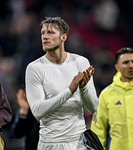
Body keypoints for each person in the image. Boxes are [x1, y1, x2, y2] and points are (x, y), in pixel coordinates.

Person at [25, 17, 99, 150]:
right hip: (51, 143)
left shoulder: (80, 62)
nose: (45, 37)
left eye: (50, 33)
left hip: (80, 142)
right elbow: (37, 111)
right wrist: (69, 91)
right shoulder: (35, 68)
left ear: (63, 37)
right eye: (43, 33)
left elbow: (93, 107)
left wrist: (82, 89)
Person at [91, 47, 133, 150]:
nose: (131, 66)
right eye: (126, 62)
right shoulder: (107, 94)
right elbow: (98, 131)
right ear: (117, 67)